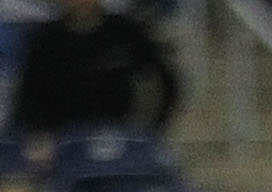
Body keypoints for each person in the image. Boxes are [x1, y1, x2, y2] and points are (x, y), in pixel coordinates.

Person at [11, 0, 178, 135]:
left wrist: (151, 127)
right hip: (63, 140)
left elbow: (164, 79)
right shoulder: (45, 39)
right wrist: (38, 133)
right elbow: (28, 92)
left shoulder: (124, 30)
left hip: (118, 133)